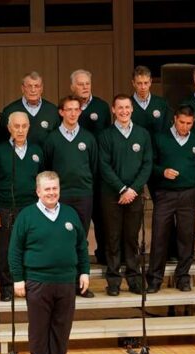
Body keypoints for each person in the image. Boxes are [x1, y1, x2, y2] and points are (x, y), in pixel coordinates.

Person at [9, 171, 89, 354]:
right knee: (39, 329)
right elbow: (14, 250)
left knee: (62, 328)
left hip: (66, 281)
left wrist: (84, 271)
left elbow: (82, 245)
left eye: (55, 188)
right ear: (38, 191)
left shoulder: (70, 214)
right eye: (47, 189)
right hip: (37, 281)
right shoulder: (26, 216)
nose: (51, 193)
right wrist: (18, 279)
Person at [43, 96, 98, 298]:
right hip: (59, 197)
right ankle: (59, 283)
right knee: (58, 239)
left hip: (83, 195)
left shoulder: (88, 138)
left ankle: (80, 283)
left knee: (80, 240)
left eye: (76, 109)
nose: (73, 113)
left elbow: (94, 167)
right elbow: (47, 168)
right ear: (61, 112)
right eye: (69, 109)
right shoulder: (52, 139)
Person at [99, 94, 152, 296]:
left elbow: (147, 164)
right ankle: (113, 280)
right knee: (112, 238)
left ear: (132, 109)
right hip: (111, 195)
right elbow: (104, 165)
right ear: (113, 110)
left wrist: (133, 190)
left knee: (131, 238)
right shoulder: (105, 135)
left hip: (135, 195)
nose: (123, 111)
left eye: (127, 107)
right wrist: (122, 189)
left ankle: (134, 278)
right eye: (119, 108)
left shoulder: (142, 134)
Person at [0, 112, 44, 302]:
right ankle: (6, 288)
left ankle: (30, 286)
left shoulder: (37, 151)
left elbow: (43, 180)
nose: (20, 130)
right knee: (7, 250)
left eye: (24, 126)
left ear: (29, 127)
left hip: (31, 208)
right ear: (9, 128)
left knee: (31, 248)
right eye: (16, 126)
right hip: (6, 207)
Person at [147, 105, 195, 293]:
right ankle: (155, 279)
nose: (184, 127)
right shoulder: (160, 138)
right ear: (174, 118)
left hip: (189, 194)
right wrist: (162, 171)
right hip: (165, 194)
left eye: (189, 123)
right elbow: (149, 165)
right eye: (181, 122)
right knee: (160, 236)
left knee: (186, 237)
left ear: (193, 122)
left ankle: (183, 277)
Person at [70, 69, 111, 265]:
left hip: (100, 171)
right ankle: (77, 260)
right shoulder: (69, 107)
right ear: (72, 87)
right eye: (80, 84)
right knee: (79, 222)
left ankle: (104, 255)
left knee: (102, 218)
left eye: (87, 83)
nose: (85, 87)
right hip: (79, 174)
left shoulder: (102, 107)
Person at [0, 71, 60, 147]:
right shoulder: (9, 111)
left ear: (42, 88)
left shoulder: (53, 111)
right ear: (22, 88)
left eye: (36, 86)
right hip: (17, 158)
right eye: (29, 86)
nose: (33, 90)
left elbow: (58, 142)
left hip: (46, 158)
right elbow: (0, 142)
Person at [130, 65, 172, 137]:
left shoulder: (162, 103)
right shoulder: (127, 105)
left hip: (157, 147)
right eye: (139, 83)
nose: (143, 87)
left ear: (150, 82)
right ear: (133, 83)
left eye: (146, 83)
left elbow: (167, 131)